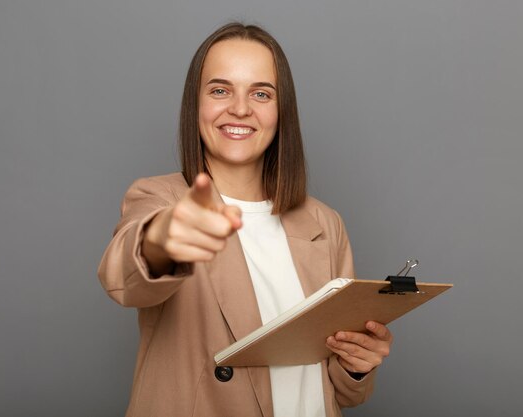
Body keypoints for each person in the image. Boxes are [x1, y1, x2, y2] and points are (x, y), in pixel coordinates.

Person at [98, 22, 392, 417]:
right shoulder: (160, 197)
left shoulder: (323, 222)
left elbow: (342, 393)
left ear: (280, 109)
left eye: (261, 93)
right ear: (195, 104)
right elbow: (124, 277)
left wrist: (357, 365)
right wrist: (163, 239)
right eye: (220, 90)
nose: (240, 108)